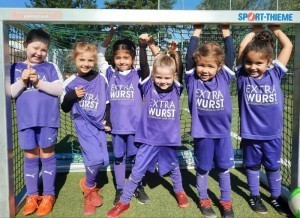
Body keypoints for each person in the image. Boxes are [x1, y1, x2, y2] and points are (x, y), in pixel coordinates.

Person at [106, 34, 189, 218]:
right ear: (153, 76)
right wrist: (143, 47)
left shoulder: (176, 88)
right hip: (148, 139)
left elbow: (179, 68)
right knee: (137, 170)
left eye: (167, 78)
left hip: (168, 139)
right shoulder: (148, 87)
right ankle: (124, 201)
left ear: (174, 77)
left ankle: (179, 191)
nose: (163, 81)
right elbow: (144, 67)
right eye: (159, 77)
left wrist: (175, 54)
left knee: (174, 167)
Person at [236, 25, 293, 216]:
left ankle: (275, 197)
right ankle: (254, 196)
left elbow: (288, 46)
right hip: (251, 135)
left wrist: (276, 29)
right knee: (252, 166)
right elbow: (242, 50)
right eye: (249, 62)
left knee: (273, 166)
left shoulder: (275, 74)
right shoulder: (242, 76)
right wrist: (253, 30)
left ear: (269, 62)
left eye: (259, 63)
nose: (253, 67)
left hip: (273, 134)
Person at [10, 28, 63, 216]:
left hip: (48, 120)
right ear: (25, 45)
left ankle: (48, 195)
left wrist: (39, 82)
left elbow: (59, 90)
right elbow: (10, 93)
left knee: (47, 154)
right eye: (35, 47)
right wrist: (23, 81)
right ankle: (33, 196)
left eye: (43, 50)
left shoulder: (49, 67)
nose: (39, 53)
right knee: (31, 156)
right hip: (26, 122)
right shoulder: (14, 68)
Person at [185, 25, 235, 218]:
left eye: (210, 66)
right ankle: (204, 198)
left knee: (223, 168)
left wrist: (226, 33)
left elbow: (229, 54)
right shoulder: (192, 81)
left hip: (222, 135)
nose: (204, 70)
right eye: (201, 65)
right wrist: (196, 32)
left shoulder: (223, 78)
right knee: (204, 168)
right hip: (202, 134)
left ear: (219, 67)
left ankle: (226, 201)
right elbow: (191, 56)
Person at [97, 27, 149, 205]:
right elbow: (99, 55)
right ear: (114, 59)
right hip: (117, 127)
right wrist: (110, 34)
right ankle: (120, 188)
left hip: (135, 127)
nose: (122, 61)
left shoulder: (138, 74)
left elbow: (147, 64)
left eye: (126, 57)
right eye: (118, 57)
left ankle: (137, 186)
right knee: (118, 157)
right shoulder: (110, 74)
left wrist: (144, 46)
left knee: (136, 157)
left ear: (132, 59)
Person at [61, 41, 110, 216]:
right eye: (82, 59)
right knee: (95, 159)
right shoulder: (71, 82)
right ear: (74, 59)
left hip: (99, 126)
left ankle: (90, 184)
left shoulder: (101, 78)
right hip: (83, 124)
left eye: (90, 60)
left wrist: (108, 121)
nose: (86, 64)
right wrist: (72, 96)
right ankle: (88, 188)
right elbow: (65, 107)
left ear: (95, 61)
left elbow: (107, 103)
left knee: (103, 159)